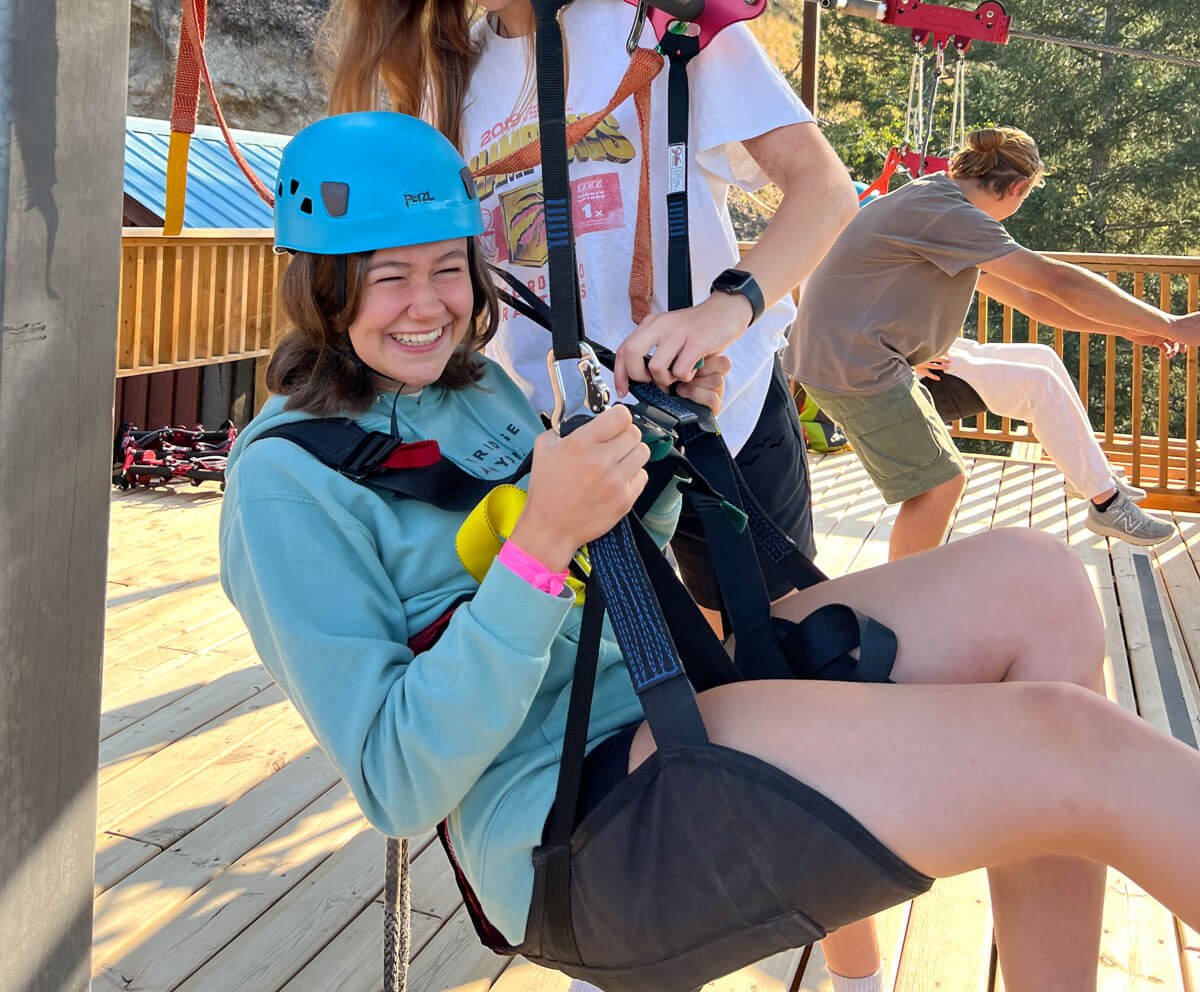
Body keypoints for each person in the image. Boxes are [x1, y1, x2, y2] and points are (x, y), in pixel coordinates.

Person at [220, 112, 1200, 992]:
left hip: (666, 690)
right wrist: (540, 542)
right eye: (388, 275)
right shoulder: (286, 481)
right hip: (578, 824)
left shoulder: (470, 389)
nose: (427, 303)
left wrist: (660, 447)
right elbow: (396, 782)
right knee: (1071, 747)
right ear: (324, 280)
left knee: (1040, 581)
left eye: (445, 266)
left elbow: (605, 572)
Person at [321, 0, 859, 621]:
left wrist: (723, 312)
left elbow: (825, 191)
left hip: (713, 410)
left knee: (766, 651)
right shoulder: (449, 85)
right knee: (615, 686)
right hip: (563, 440)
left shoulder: (661, 26)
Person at [786, 127, 1200, 561]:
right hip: (852, 365)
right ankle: (904, 597)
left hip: (857, 354)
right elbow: (1055, 281)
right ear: (1018, 187)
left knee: (1041, 358)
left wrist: (1127, 329)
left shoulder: (935, 199)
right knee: (941, 484)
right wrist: (1172, 324)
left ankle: (1100, 486)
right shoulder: (949, 214)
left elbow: (1030, 298)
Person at [915, 336, 1167, 545]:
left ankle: (1088, 475)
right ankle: (1106, 503)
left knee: (1043, 356)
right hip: (911, 368)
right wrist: (906, 360)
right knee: (1039, 384)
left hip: (934, 344)